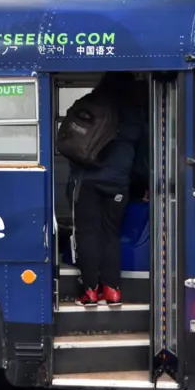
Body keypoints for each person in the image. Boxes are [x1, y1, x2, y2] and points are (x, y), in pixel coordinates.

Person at [67, 72, 149, 307]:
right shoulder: (135, 114)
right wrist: (142, 184)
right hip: (119, 185)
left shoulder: (90, 103)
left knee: (88, 234)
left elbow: (71, 138)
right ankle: (112, 290)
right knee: (110, 235)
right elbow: (142, 156)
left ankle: (90, 291)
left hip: (87, 180)